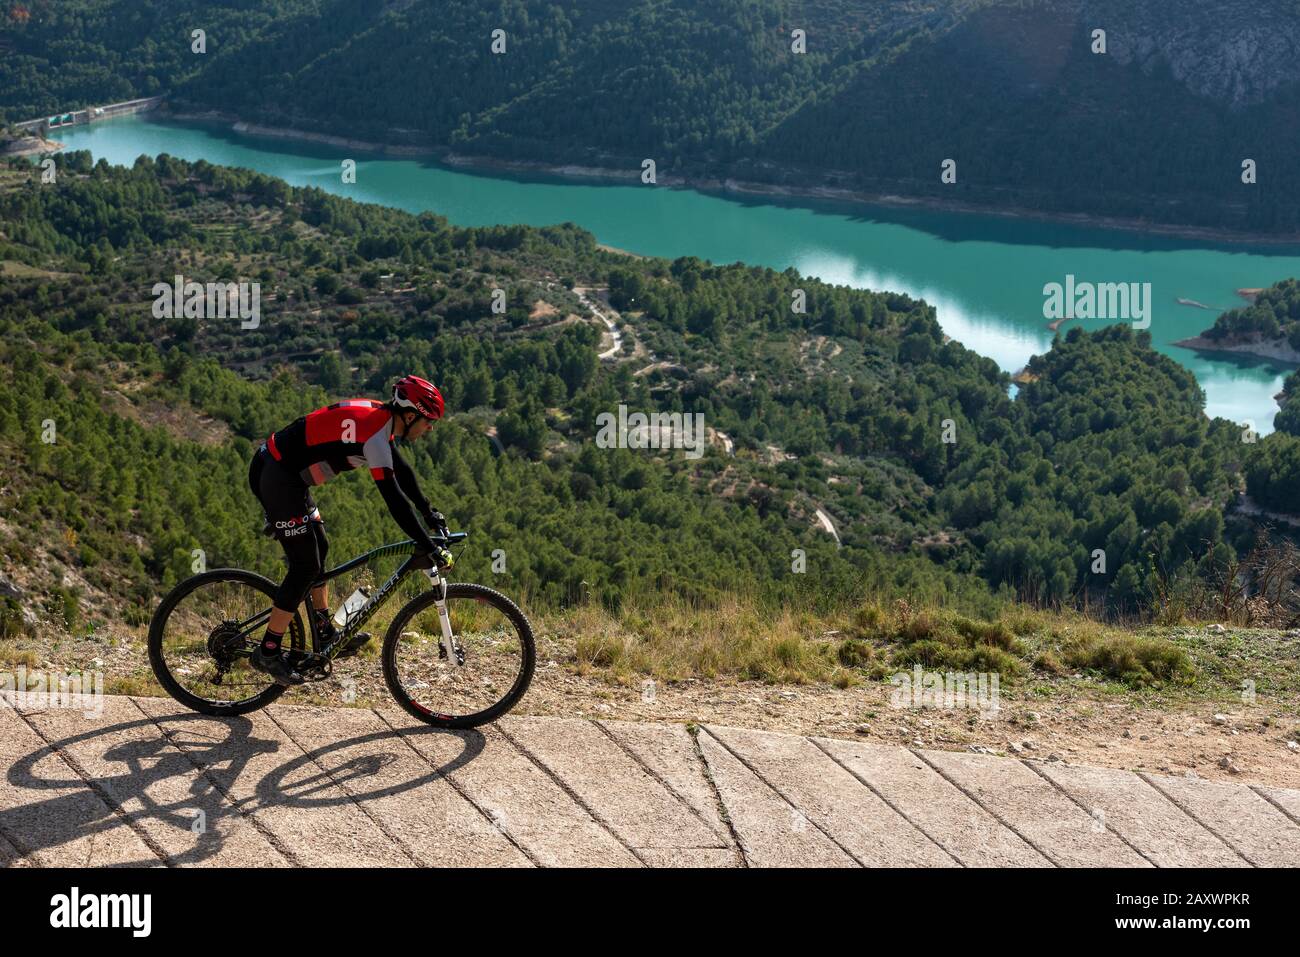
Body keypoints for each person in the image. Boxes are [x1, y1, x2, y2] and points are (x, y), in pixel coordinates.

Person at [247, 374, 449, 685]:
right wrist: (427, 543)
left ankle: (323, 628)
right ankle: (268, 651)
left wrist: (429, 512)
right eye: (428, 420)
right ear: (410, 416)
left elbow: (403, 473)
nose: (430, 427)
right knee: (305, 566)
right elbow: (394, 500)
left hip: (289, 477)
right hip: (276, 476)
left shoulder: (381, 421)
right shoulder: (376, 435)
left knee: (320, 546)